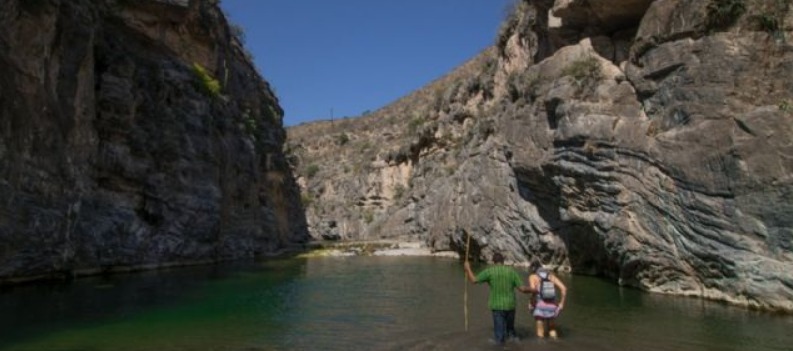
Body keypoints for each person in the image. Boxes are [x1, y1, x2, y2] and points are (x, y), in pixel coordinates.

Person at [464, 252, 533, 345]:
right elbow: (523, 289)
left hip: (497, 306)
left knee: (499, 337)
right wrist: (535, 290)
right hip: (510, 306)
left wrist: (468, 269)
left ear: (493, 262)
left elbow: (473, 280)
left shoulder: (490, 271)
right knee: (511, 333)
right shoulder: (511, 272)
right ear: (503, 261)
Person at [528, 260, 567, 339]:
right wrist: (561, 303)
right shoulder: (551, 276)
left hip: (540, 306)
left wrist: (531, 303)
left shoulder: (533, 277)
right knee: (552, 329)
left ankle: (541, 345)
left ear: (532, 269)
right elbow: (564, 289)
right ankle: (556, 343)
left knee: (540, 332)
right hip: (552, 306)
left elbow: (533, 291)